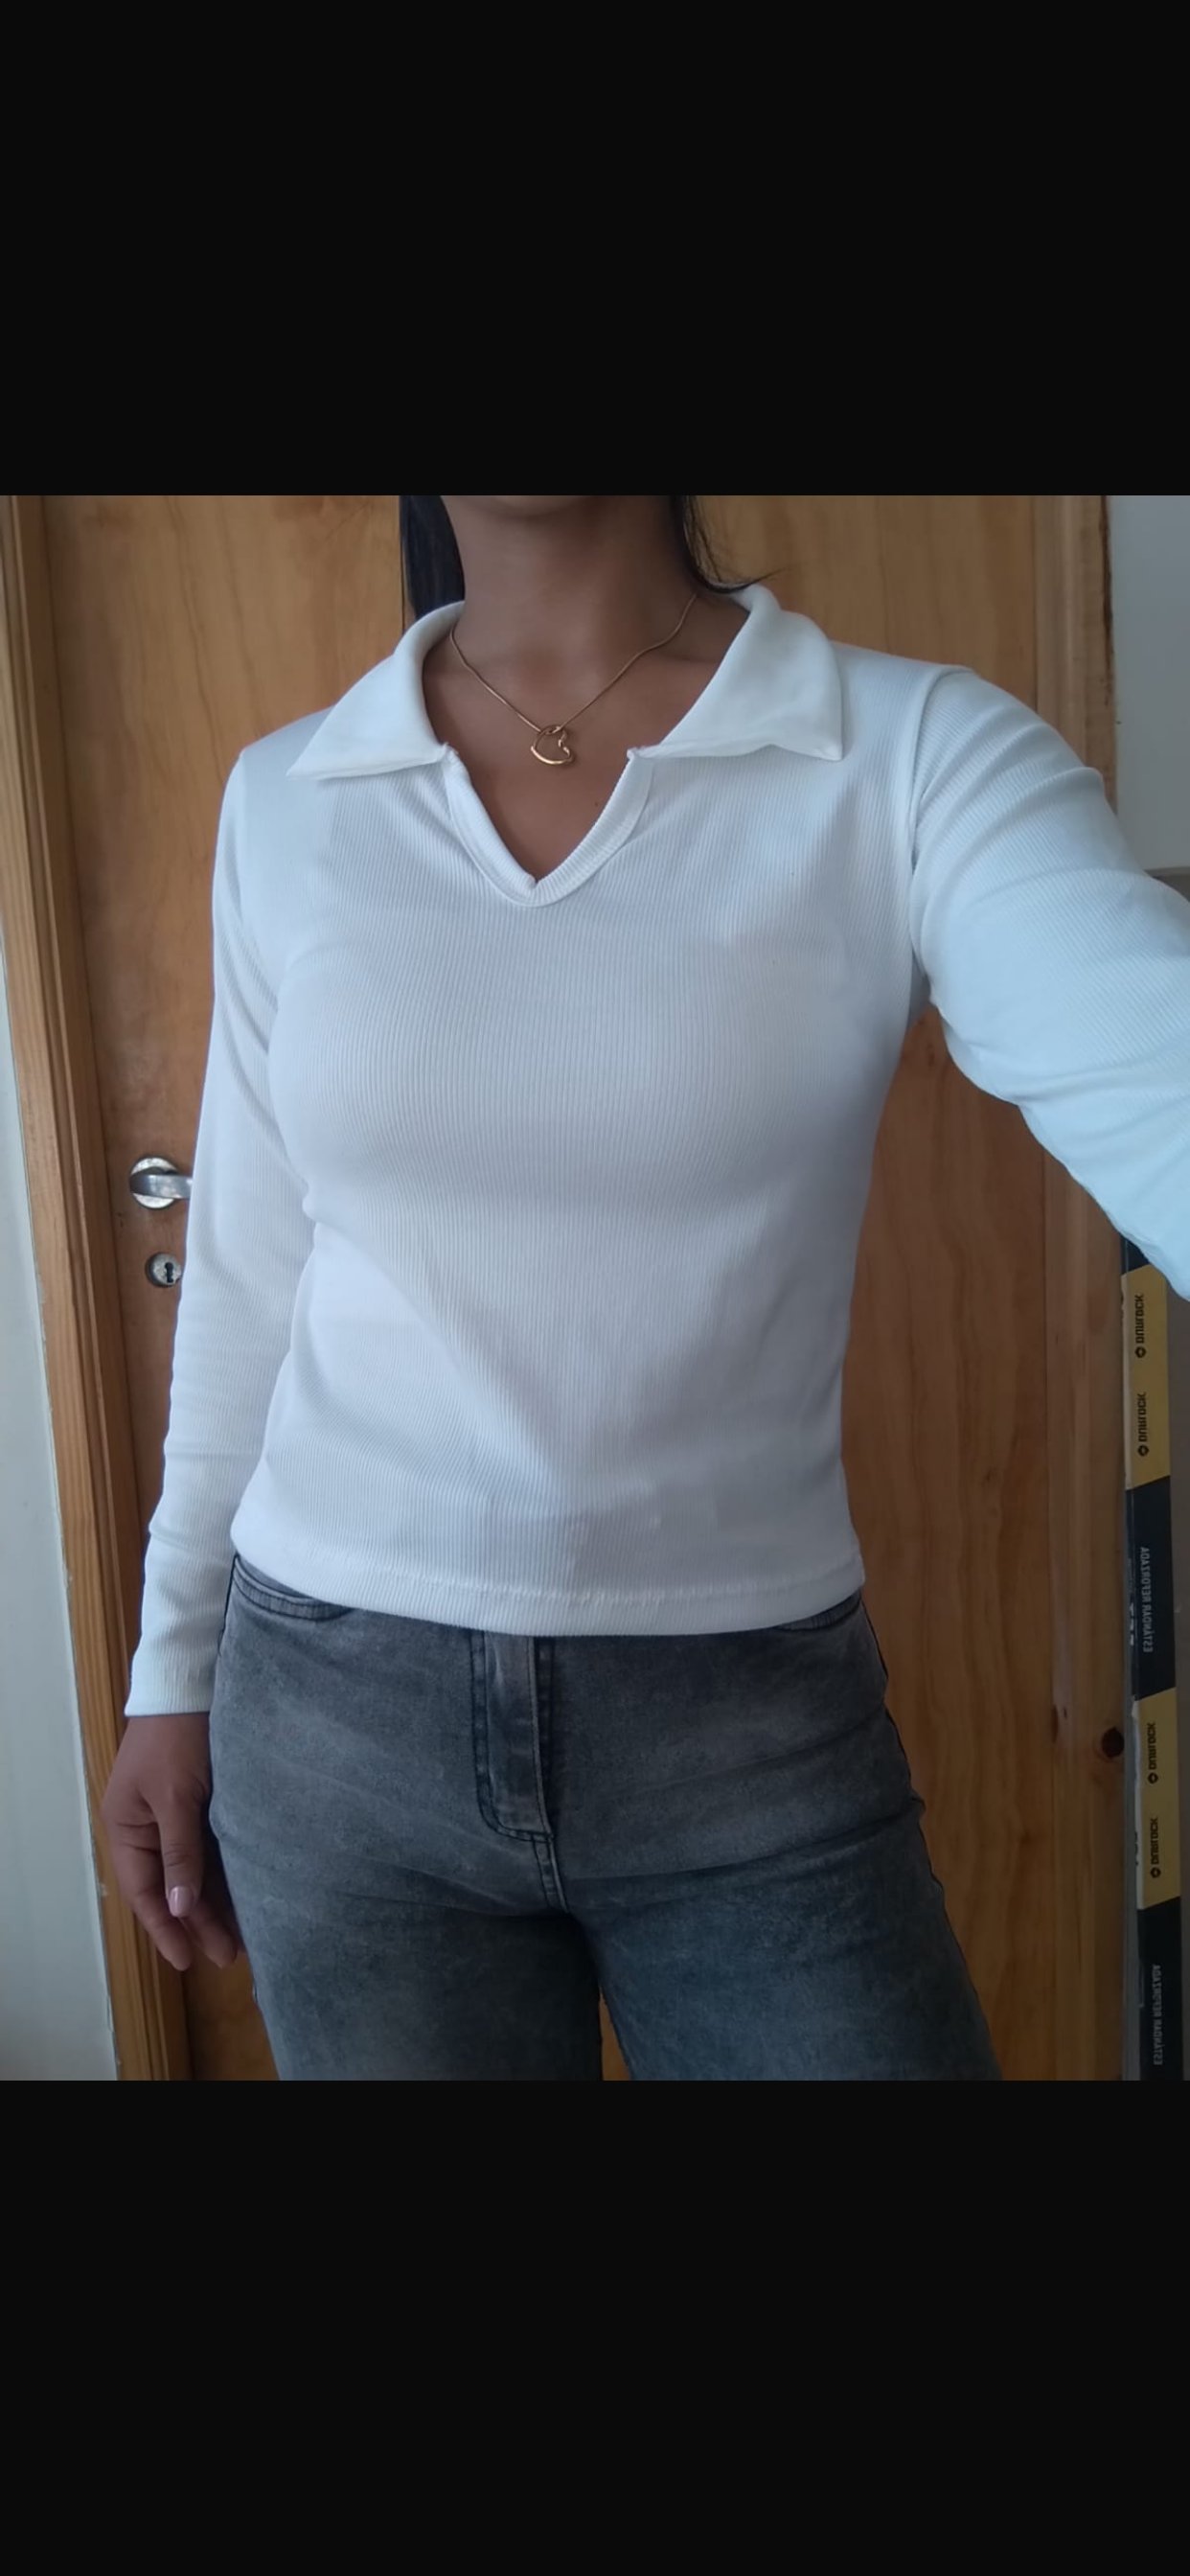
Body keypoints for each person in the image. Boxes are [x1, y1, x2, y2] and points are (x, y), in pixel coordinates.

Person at [102, 494, 1190, 2082]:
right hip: (331, 1725)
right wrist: (173, 1671)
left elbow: (1154, 1077)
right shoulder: (290, 793)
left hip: (744, 1729)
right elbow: (249, 1276)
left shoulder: (907, 755)